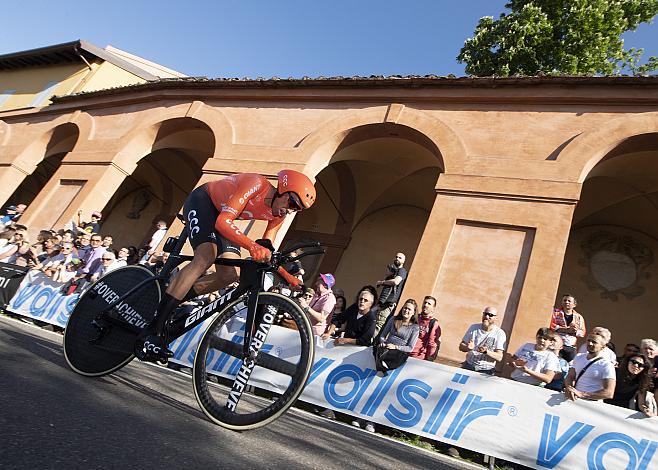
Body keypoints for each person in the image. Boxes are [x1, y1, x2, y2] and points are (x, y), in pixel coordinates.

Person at [135, 170, 316, 362]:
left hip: (224, 217)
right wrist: (252, 246)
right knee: (205, 257)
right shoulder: (256, 184)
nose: (290, 211)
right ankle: (153, 329)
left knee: (229, 276)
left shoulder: (278, 215)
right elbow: (223, 222)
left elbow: (266, 246)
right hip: (204, 202)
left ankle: (171, 301)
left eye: (297, 209)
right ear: (282, 190)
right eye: (292, 204)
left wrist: (286, 275)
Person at [563, 333, 616, 402]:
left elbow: (609, 392)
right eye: (588, 340)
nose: (590, 343)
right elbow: (570, 376)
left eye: (594, 342)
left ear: (603, 347)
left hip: (592, 405)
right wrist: (569, 388)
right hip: (575, 400)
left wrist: (582, 394)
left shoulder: (606, 364)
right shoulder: (579, 357)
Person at [375, 299, 420, 374]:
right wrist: (383, 343)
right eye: (405, 308)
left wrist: (395, 347)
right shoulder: (393, 319)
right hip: (386, 348)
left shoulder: (415, 328)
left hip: (398, 353)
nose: (406, 310)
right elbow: (382, 335)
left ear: (413, 312)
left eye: (409, 309)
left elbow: (410, 348)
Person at [459, 307, 506, 375]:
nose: (487, 317)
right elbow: (461, 346)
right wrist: (467, 347)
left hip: (486, 370)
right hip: (468, 365)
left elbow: (499, 357)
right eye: (485, 314)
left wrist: (486, 352)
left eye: (490, 315)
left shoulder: (500, 333)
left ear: (496, 318)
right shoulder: (474, 327)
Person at [374, 252, 408, 335]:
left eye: (400, 258)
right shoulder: (394, 272)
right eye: (396, 257)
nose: (397, 259)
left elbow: (396, 281)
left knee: (379, 324)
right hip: (383, 302)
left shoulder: (402, 271)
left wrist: (382, 282)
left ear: (403, 261)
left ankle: (370, 344)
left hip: (389, 303)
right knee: (373, 319)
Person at [549, 293, 586, 362]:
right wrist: (565, 330)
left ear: (574, 305)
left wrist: (575, 331)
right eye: (564, 300)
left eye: (569, 301)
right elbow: (551, 325)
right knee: (552, 362)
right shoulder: (555, 313)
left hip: (570, 347)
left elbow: (582, 333)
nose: (566, 302)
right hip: (555, 344)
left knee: (568, 366)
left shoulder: (578, 317)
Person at [410, 295, 441, 361]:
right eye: (425, 302)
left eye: (429, 304)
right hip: (404, 353)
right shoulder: (414, 318)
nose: (426, 305)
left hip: (417, 358)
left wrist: (429, 360)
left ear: (433, 308)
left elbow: (432, 344)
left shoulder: (433, 323)